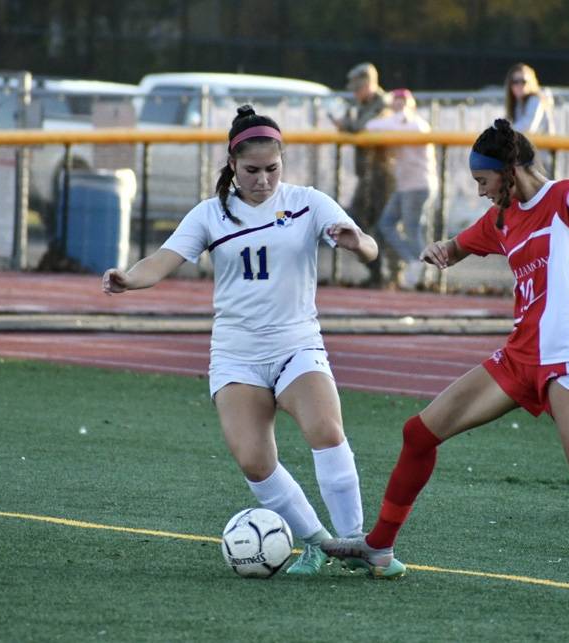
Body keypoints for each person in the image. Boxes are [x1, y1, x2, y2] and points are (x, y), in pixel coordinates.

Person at [320, 119, 569, 602]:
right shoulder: (502, 217)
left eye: (484, 182)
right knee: (418, 434)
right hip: (517, 359)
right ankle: (380, 547)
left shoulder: (564, 197)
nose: (480, 193)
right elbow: (459, 244)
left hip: (563, 360)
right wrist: (443, 252)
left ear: (509, 171)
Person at [102, 105, 379, 576]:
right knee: (254, 461)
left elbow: (370, 247)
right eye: (252, 170)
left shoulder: (309, 201)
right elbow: (164, 258)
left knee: (326, 431)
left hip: (297, 345)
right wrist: (127, 279)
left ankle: (359, 544)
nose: (264, 180)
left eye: (273, 169)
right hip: (237, 355)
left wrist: (356, 241)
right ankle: (318, 543)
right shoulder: (211, 214)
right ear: (232, 165)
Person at [331, 62, 396, 287]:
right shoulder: (365, 104)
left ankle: (388, 275)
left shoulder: (382, 104)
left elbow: (364, 126)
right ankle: (377, 271)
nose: (355, 93)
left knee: (382, 225)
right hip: (367, 174)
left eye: (358, 88)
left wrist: (346, 124)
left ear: (369, 84)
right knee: (357, 221)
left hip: (382, 174)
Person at [366, 88, 438, 289]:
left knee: (411, 228)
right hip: (405, 186)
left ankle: (422, 269)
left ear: (411, 104)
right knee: (386, 224)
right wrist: (392, 118)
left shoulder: (416, 123)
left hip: (418, 184)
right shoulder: (395, 122)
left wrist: (395, 117)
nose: (399, 104)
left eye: (403, 101)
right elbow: (370, 126)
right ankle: (416, 262)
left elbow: (402, 126)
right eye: (396, 101)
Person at [504, 63, 555, 175]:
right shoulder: (517, 104)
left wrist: (501, 131)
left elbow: (528, 127)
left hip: (540, 163)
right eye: (515, 82)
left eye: (523, 81)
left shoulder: (536, 99)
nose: (519, 85)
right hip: (526, 162)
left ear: (531, 82)